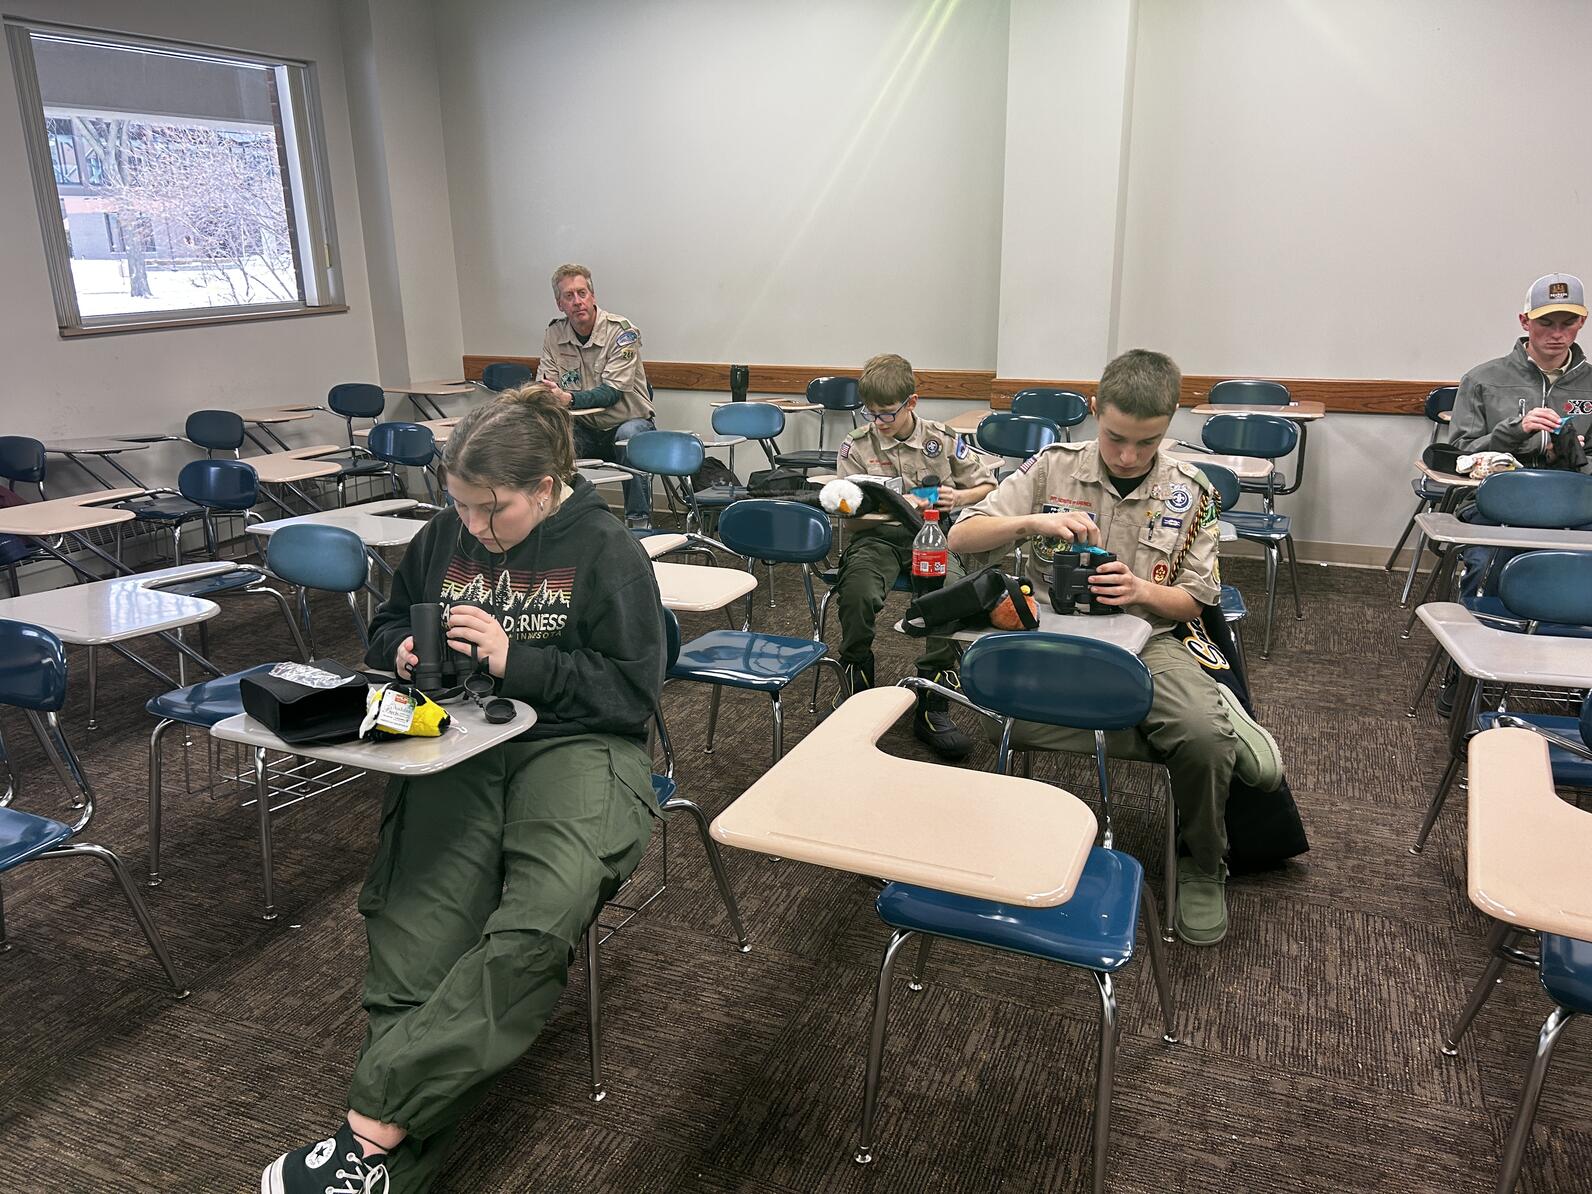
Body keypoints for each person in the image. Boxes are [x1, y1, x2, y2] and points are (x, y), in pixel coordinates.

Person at [262, 385, 665, 1194]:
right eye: (462, 508)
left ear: (546, 488)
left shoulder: (607, 548)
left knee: (542, 914)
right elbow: (383, 628)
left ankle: (369, 1126)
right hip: (464, 741)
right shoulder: (446, 531)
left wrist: (519, 660)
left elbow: (632, 695)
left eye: (495, 511)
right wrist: (402, 654)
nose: (475, 529)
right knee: (417, 920)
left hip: (579, 743)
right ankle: (383, 1166)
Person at [946, 349, 1281, 946]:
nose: (1128, 455)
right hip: (1056, 632)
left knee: (1203, 738)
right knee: (992, 706)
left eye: (1146, 443)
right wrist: (1030, 524)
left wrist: (1143, 590)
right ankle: (998, 842)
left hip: (1147, 638)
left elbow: (1196, 603)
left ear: (1170, 423)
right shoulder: (1052, 467)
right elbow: (961, 535)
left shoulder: (1191, 491)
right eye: (1116, 437)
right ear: (1096, 410)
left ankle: (1204, 865)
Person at [833, 352, 997, 760]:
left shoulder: (941, 438)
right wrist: (875, 506)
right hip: (876, 538)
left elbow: (987, 485)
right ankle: (856, 684)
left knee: (950, 594)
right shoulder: (856, 444)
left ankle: (933, 699)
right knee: (857, 592)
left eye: (887, 413)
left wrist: (959, 496)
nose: (878, 422)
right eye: (871, 413)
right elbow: (846, 516)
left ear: (912, 402)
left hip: (930, 536)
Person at [537, 263, 659, 526]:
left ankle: (639, 521)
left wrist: (568, 399)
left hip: (628, 421)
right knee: (555, 436)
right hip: (585, 427)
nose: (577, 301)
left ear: (593, 297)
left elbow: (612, 392)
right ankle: (568, 520)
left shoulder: (622, 332)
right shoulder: (553, 334)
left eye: (582, 293)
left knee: (629, 436)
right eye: (569, 296)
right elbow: (546, 385)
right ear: (560, 304)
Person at [1450, 272, 1591, 470]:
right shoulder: (1480, 380)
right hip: (1498, 491)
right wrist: (1515, 432)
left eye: (1568, 323)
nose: (1557, 334)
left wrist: (1568, 458)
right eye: (1546, 323)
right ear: (1525, 321)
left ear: (1582, 321)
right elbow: (1459, 454)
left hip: (1573, 493)